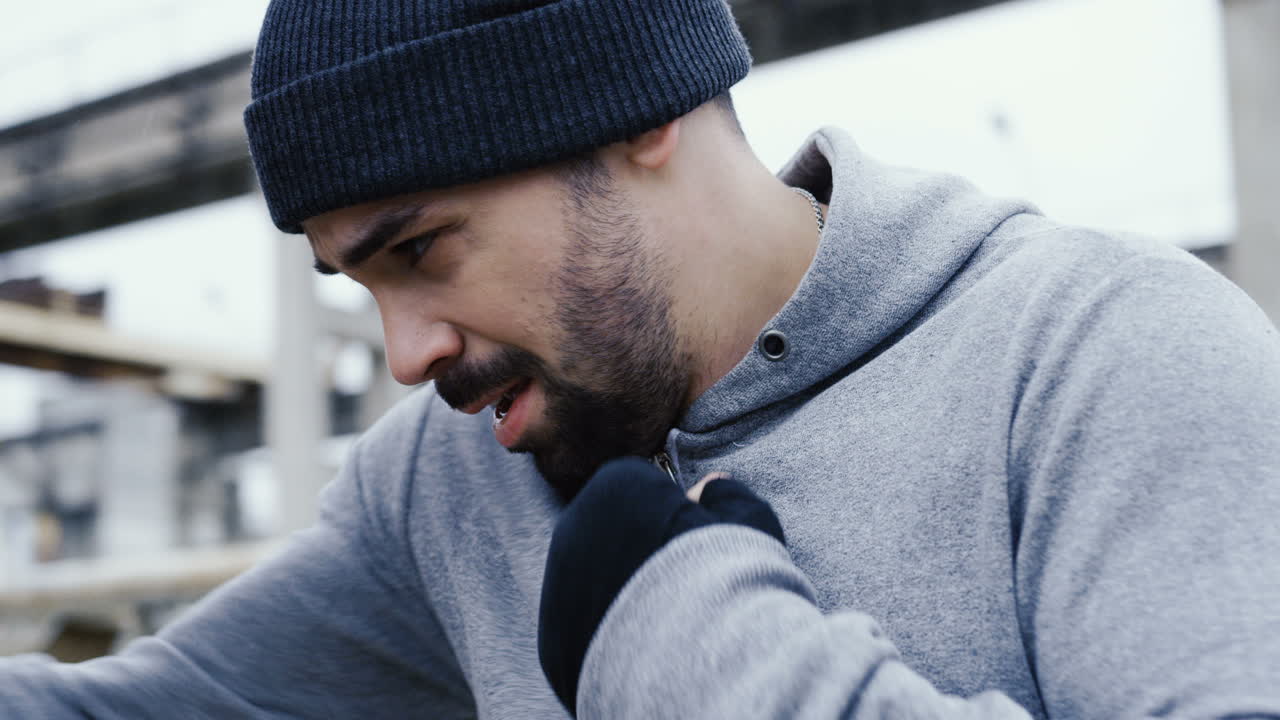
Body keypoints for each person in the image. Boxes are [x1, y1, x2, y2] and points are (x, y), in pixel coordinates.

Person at [4, 0, 1280, 717]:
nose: (402, 356)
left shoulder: (1102, 358)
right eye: (359, 284)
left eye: (423, 249)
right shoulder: (442, 484)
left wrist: (682, 636)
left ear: (637, 117)